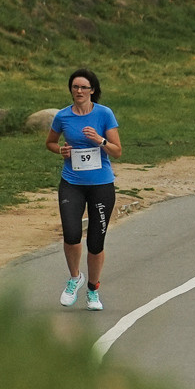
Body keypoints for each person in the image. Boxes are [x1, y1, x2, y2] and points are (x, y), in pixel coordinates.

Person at [45, 67, 120, 311]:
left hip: (101, 185)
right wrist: (61, 151)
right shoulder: (63, 116)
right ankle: (75, 278)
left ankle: (93, 290)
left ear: (92, 90)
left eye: (83, 87)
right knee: (71, 233)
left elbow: (117, 151)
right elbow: (51, 142)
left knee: (96, 242)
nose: (78, 91)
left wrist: (100, 140)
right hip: (72, 183)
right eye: (75, 87)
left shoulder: (104, 114)